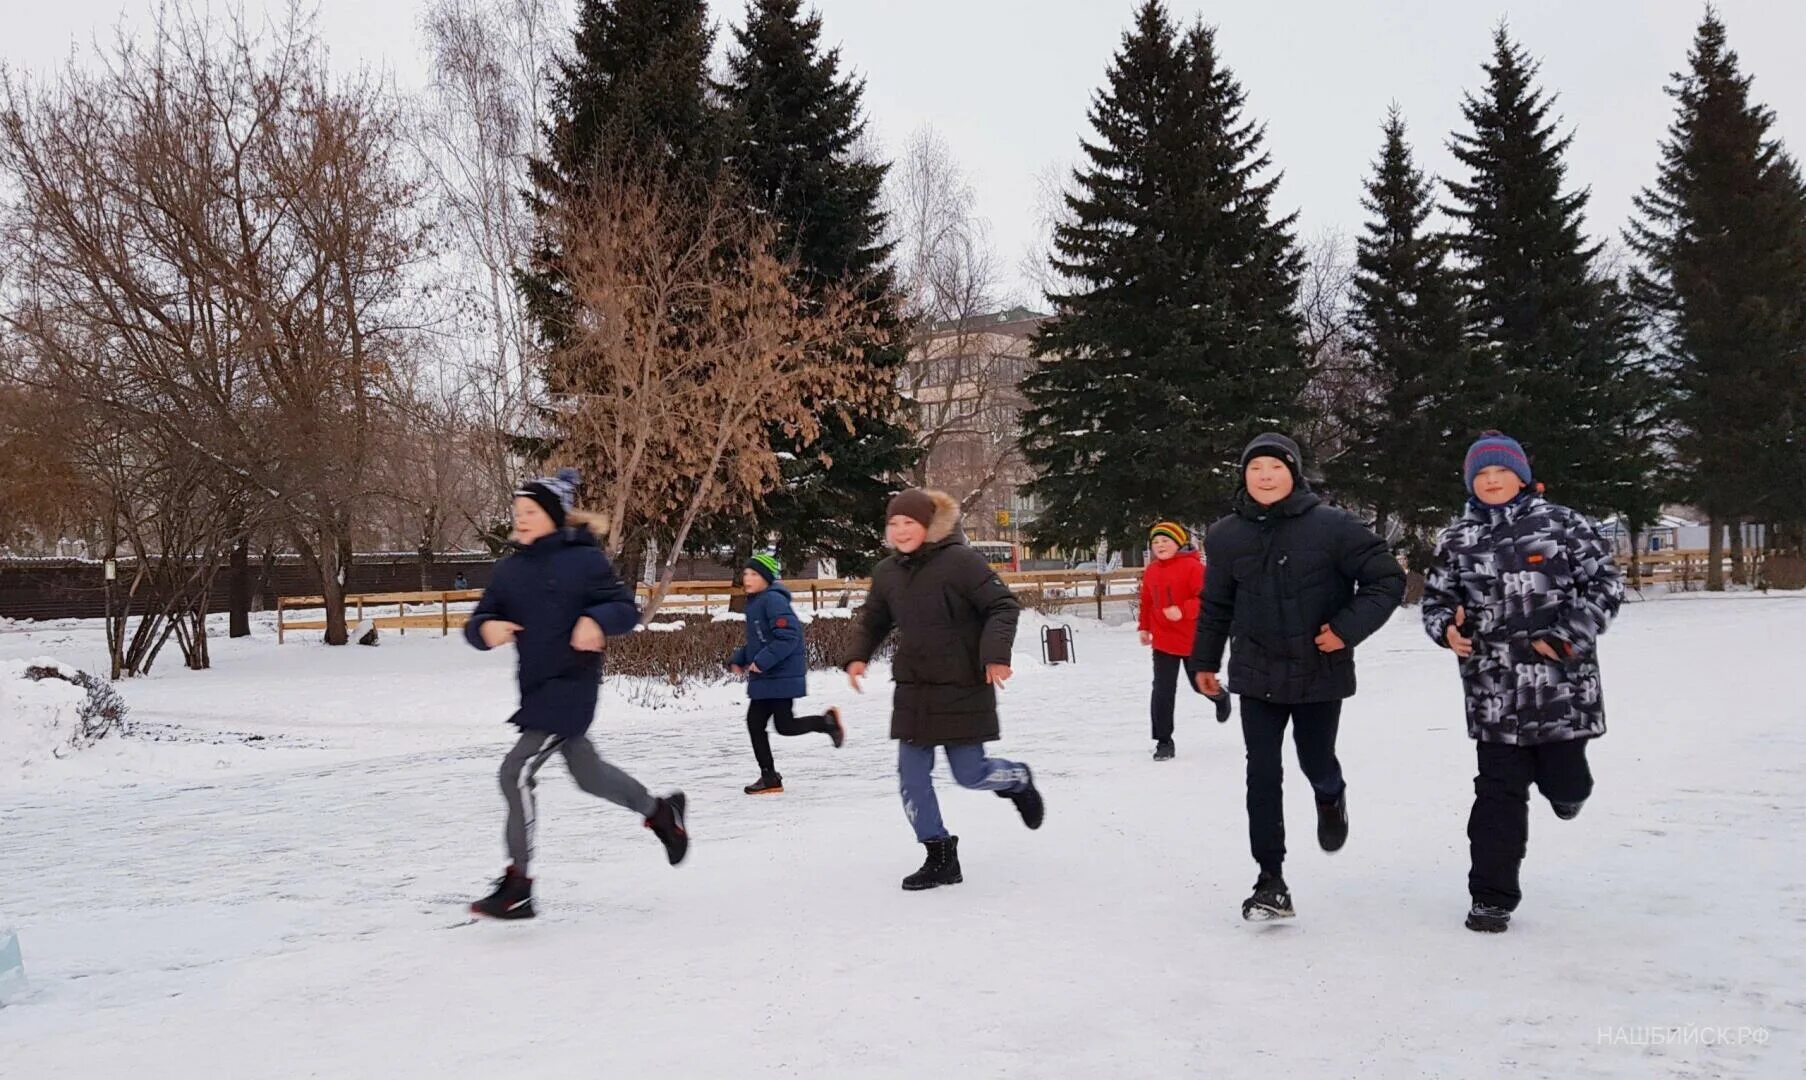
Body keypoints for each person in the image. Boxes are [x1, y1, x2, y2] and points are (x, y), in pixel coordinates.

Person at [1190, 433, 1405, 920]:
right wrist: (1203, 662)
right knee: (1261, 772)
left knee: (1315, 760)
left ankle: (1330, 795)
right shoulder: (1225, 535)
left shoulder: (1332, 526)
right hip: (1256, 670)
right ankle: (1271, 879)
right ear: (1243, 477)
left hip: (1317, 670)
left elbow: (1386, 578)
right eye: (1255, 469)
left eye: (1275, 468)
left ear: (1294, 473)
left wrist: (1346, 630)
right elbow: (1216, 605)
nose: (1265, 477)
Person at [463, 468, 688, 920]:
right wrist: (486, 629)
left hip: (571, 688)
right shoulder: (510, 570)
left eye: (530, 511)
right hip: (537, 689)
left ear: (552, 516)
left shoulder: (584, 561)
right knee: (589, 774)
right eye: (517, 512)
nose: (521, 519)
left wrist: (596, 621)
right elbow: (478, 619)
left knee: (515, 772)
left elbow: (625, 609)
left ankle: (518, 886)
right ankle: (661, 813)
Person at [1421, 432, 1624, 933]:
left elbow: (1607, 584)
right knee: (1497, 794)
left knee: (1564, 777)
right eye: (1482, 475)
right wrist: (1448, 630)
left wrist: (1567, 636)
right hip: (1493, 693)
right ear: (1471, 483)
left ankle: (1570, 788)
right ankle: (1491, 897)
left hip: (1561, 688)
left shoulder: (1564, 524)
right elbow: (1435, 601)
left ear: (1522, 476)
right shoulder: (1457, 538)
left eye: (1501, 473)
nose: (1492, 481)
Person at [843, 489, 1045, 891]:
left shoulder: (961, 562)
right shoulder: (887, 572)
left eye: (909, 523)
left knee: (970, 774)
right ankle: (939, 854)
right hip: (914, 688)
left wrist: (995, 655)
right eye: (894, 524)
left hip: (962, 684)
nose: (900, 531)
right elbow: (874, 618)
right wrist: (858, 655)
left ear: (929, 525)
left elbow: (1002, 606)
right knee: (911, 778)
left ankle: (1016, 778)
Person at [732, 552, 846, 795]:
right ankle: (770, 775)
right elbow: (759, 642)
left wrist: (761, 662)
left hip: (779, 675)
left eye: (753, 574)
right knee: (764, 724)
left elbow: (788, 637)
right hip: (769, 676)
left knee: (779, 725)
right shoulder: (757, 602)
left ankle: (826, 724)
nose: (747, 578)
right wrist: (740, 659)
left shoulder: (773, 601)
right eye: (745, 573)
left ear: (766, 577)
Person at [1138, 521, 1231, 761]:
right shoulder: (1151, 570)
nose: (1160, 546)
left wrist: (1183, 610)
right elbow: (1147, 600)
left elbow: (1207, 599)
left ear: (1178, 543)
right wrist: (1144, 627)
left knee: (1199, 685)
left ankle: (1220, 696)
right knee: (1162, 691)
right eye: (1156, 542)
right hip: (1163, 641)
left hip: (1193, 640)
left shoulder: (1192, 568)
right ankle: (1163, 741)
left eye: (1165, 541)